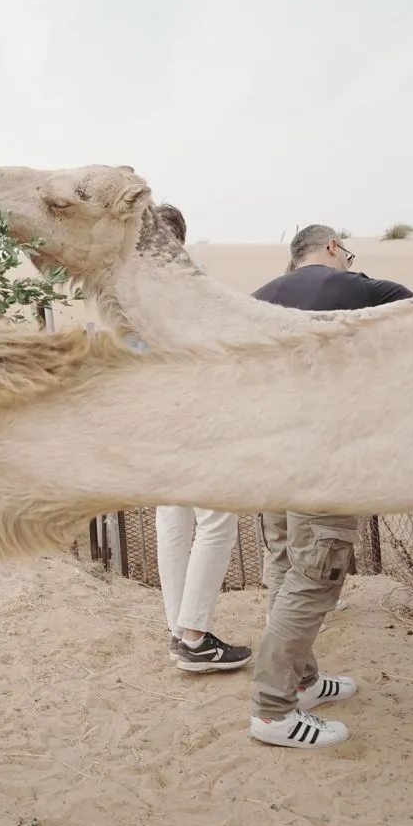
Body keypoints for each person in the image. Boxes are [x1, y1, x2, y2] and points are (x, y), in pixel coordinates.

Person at [246, 224, 413, 749]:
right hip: (324, 455)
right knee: (318, 573)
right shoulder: (360, 287)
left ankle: (302, 681)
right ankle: (273, 710)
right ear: (335, 249)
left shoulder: (258, 298)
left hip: (267, 454)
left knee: (284, 564)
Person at [150, 203, 251, 672]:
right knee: (216, 522)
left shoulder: (129, 289)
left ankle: (179, 630)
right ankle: (193, 636)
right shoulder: (188, 286)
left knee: (174, 521)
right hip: (196, 419)